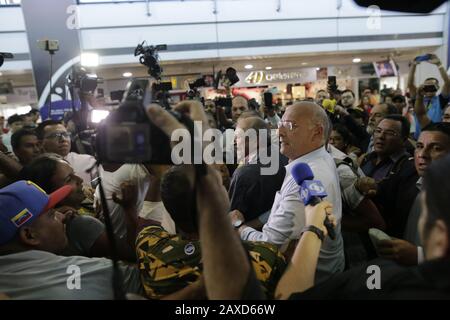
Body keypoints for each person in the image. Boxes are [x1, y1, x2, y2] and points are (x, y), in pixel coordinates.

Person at [278, 154, 450, 299]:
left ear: (440, 236)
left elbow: (287, 297)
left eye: (423, 213)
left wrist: (313, 228)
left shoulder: (381, 280)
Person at [230, 101, 345, 283]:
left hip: (308, 285)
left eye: (290, 126)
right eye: (280, 125)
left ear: (317, 132)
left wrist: (239, 227)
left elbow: (270, 245)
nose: (280, 132)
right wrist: (254, 223)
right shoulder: (309, 162)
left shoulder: (309, 176)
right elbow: (283, 208)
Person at [135, 164, 287, 299]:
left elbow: (146, 222)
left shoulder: (148, 247)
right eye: (220, 185)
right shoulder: (263, 257)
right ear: (219, 201)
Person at [0, 180, 143, 299]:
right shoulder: (82, 272)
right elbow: (152, 282)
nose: (62, 217)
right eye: (51, 215)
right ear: (30, 235)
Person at [377, 122, 450, 266]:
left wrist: (420, 256)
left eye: (436, 148)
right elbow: (379, 193)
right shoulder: (410, 176)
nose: (423, 155)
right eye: (419, 146)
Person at [361, 115, 419, 238]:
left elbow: (400, 213)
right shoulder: (367, 159)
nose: (381, 137)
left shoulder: (409, 168)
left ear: (404, 139)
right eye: (378, 131)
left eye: (390, 133)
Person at [229, 116, 287, 230]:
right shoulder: (286, 157)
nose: (234, 142)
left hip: (252, 239)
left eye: (238, 137)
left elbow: (233, 217)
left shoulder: (244, 174)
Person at [35, 120, 96, 185]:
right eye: (55, 135)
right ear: (40, 144)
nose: (63, 139)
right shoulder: (35, 170)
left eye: (65, 134)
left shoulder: (87, 161)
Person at [408, 53, 450, 138]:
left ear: (438, 88)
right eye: (427, 86)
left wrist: (439, 65)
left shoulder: (440, 100)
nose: (430, 89)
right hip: (419, 137)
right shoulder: (418, 100)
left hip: (436, 135)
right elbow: (410, 84)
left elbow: (447, 83)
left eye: (432, 86)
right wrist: (413, 66)